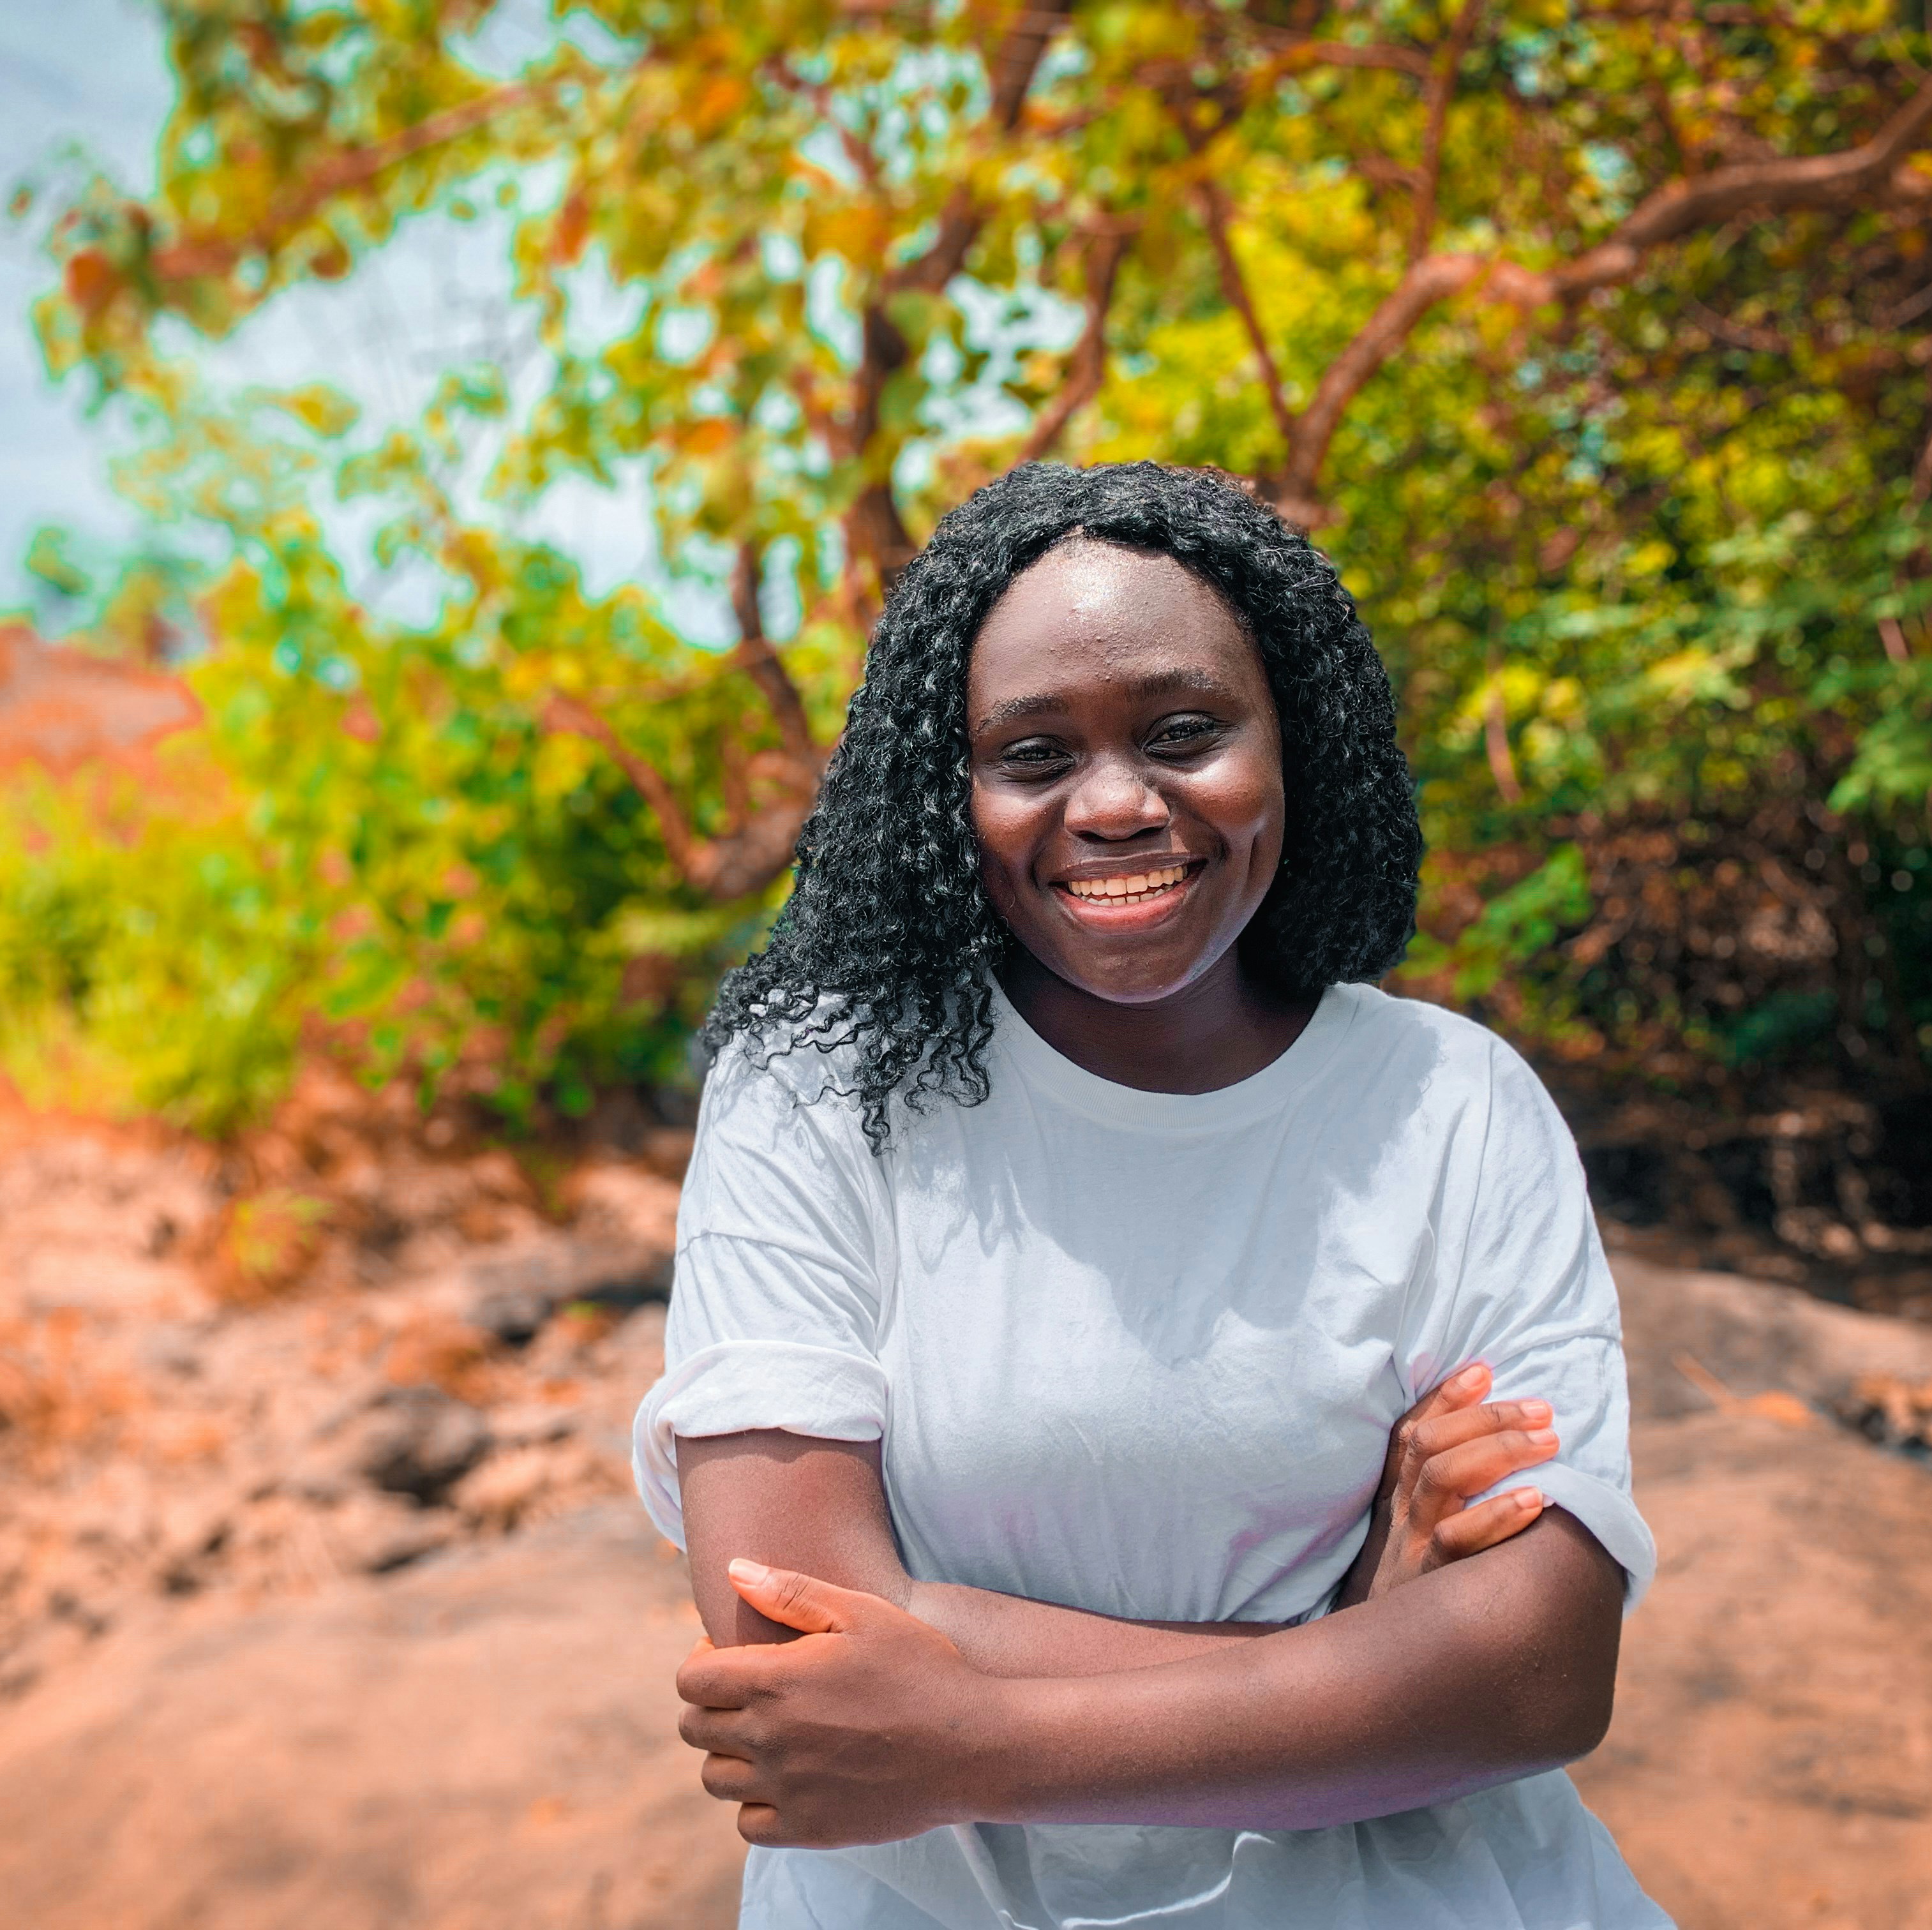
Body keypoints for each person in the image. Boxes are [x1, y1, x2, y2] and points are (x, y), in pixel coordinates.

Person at [631, 461, 1666, 1929]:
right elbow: (791, 1639)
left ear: (1290, 742)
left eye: (1185, 733)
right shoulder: (818, 1094)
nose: (1115, 804)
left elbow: (1542, 1674)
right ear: (953, 791)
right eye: (1034, 753)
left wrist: (974, 1732)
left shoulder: (1452, 1105)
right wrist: (1362, 1638)